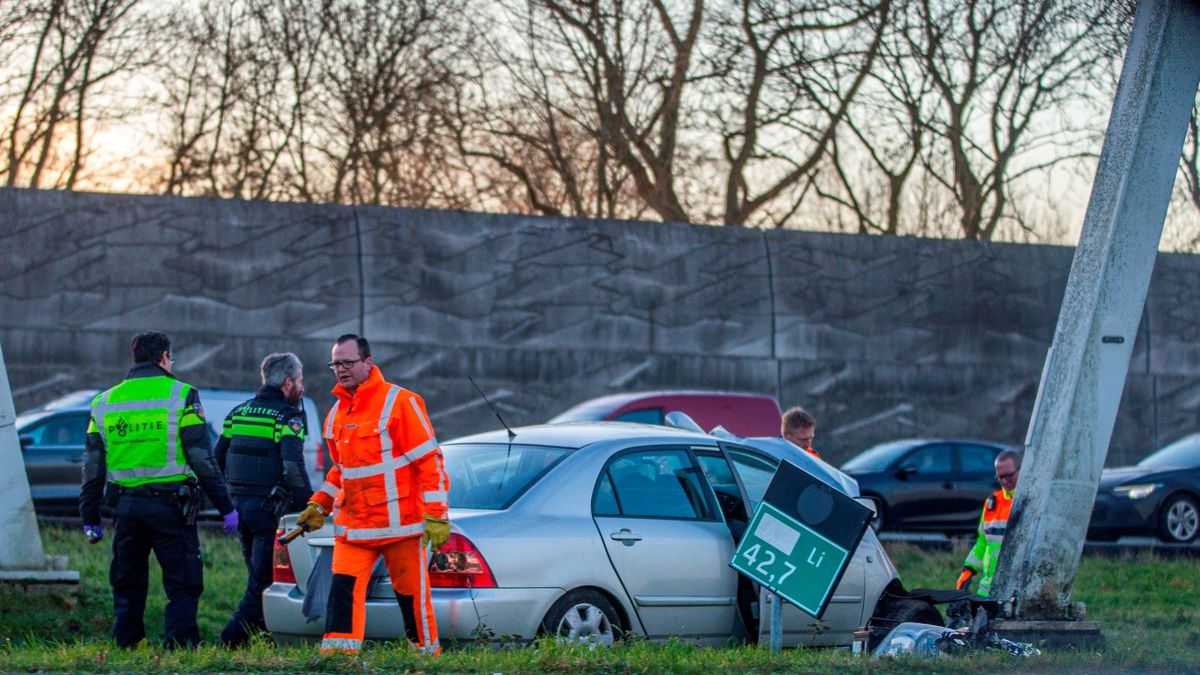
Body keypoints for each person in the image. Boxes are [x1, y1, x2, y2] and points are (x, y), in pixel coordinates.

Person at [79, 331, 239, 649]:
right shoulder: (182, 394)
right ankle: (179, 647)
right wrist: (226, 506)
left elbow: (92, 466)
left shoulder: (104, 402)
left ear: (135, 357)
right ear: (165, 357)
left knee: (127, 582)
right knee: (183, 582)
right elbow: (200, 457)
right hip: (172, 509)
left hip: (125, 509)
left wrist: (90, 516)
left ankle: (125, 644)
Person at [293, 334, 450, 656]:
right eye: (336, 363)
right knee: (342, 595)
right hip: (355, 528)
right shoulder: (337, 413)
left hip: (401, 528)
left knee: (412, 601)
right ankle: (339, 660)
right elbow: (342, 470)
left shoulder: (400, 402)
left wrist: (436, 514)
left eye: (348, 362)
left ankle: (426, 659)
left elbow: (429, 462)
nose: (341, 369)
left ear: (368, 363)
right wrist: (319, 503)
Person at [215, 352, 314, 647]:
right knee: (263, 584)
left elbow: (217, 458)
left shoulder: (238, 412)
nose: (302, 387)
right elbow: (293, 468)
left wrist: (227, 502)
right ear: (287, 382)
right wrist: (309, 507)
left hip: (240, 510)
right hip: (267, 513)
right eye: (300, 380)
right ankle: (230, 642)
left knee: (259, 580)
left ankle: (264, 641)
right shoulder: (288, 417)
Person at [956, 449, 1022, 597]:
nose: (1005, 481)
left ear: (1022, 469)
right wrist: (968, 570)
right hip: (987, 590)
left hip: (1018, 591)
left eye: (1009, 475)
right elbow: (982, 542)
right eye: (1000, 477)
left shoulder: (1033, 502)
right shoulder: (993, 503)